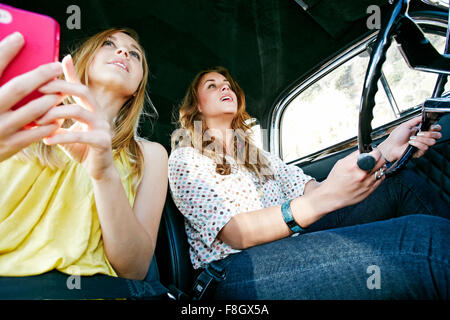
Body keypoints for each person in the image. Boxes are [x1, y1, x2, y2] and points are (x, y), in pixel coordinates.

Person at [168, 66, 450, 299]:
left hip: (289, 242)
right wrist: (320, 201)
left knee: (398, 182)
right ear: (196, 106)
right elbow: (236, 233)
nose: (225, 88)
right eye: (212, 86)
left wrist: (384, 152)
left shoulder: (260, 157)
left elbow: (311, 190)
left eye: (228, 84)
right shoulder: (186, 158)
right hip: (234, 271)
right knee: (426, 242)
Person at [0, 28, 168, 298]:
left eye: (135, 54)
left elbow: (135, 269)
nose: (123, 52)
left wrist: (104, 176)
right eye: (109, 43)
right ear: (83, 60)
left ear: (137, 88)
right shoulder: (21, 120)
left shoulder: (150, 155)